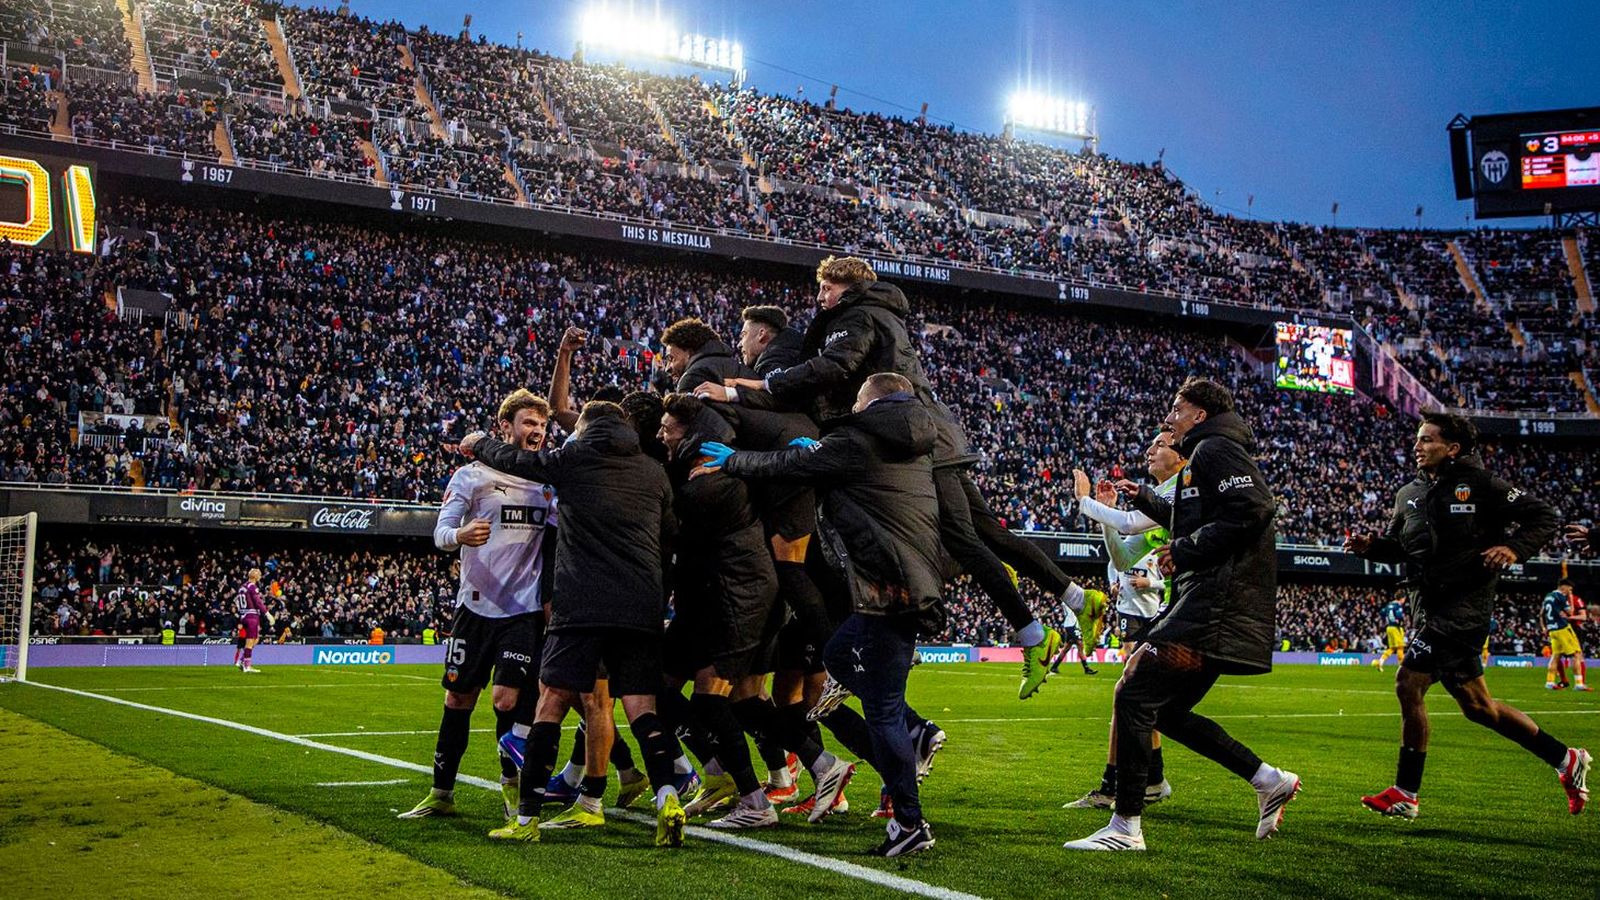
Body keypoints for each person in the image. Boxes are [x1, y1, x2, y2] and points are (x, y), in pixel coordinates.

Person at [697, 256, 1082, 701]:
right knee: (977, 531)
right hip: (925, 433)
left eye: (826, 289)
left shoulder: (857, 317)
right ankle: (1067, 603)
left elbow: (832, 369)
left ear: (848, 287)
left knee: (958, 534)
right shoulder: (873, 315)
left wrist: (748, 388)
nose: (820, 299)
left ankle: (1031, 631)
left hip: (917, 438)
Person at [701, 372, 943, 857]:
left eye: (857, 399)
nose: (852, 406)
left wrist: (737, 461)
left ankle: (910, 820)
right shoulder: (913, 445)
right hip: (911, 583)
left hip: (884, 589)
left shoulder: (857, 438)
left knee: (883, 712)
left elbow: (793, 463)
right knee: (837, 655)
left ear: (870, 402)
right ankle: (909, 763)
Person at [1065, 378, 1298, 852]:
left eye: (1177, 408)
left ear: (1200, 414)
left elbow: (1254, 508)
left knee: (1134, 690)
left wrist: (1187, 549)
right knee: (1163, 710)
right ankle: (1268, 779)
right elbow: (1198, 517)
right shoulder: (1206, 456)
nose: (1169, 417)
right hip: (1209, 599)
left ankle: (1125, 826)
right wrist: (1148, 501)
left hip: (1217, 602)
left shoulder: (1216, 450)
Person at [460, 400, 690, 847]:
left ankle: (525, 819)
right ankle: (667, 798)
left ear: (584, 428)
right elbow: (668, 539)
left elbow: (518, 461)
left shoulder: (574, 458)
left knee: (550, 703)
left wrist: (480, 444)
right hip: (640, 605)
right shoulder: (652, 471)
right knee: (643, 709)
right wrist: (655, 601)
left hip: (581, 606)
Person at [1346, 412, 1588, 820]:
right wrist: (1372, 546)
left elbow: (1542, 516)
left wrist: (1513, 549)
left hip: (1465, 609)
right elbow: (1399, 546)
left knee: (1408, 683)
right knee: (1480, 708)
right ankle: (1566, 759)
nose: (1417, 446)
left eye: (1427, 440)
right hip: (1430, 607)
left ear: (1452, 448)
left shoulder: (1481, 484)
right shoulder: (1409, 493)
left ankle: (1406, 792)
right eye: (1418, 439)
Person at [399, 390, 559, 823]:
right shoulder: (471, 476)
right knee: (458, 699)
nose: (537, 433)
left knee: (508, 700)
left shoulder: (547, 483)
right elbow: (441, 533)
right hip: (473, 608)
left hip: (522, 611)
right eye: (529, 423)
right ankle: (441, 792)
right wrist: (461, 535)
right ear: (505, 427)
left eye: (542, 426)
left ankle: (513, 795)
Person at [654, 392, 788, 828]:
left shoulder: (713, 481)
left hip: (739, 595)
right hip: (711, 597)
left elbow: (667, 522)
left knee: (716, 699)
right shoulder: (697, 471)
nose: (660, 434)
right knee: (660, 686)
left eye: (667, 427)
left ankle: (757, 801)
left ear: (691, 433)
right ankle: (719, 775)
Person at [1064, 428, 1184, 810]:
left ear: (1181, 457)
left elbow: (1131, 523)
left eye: (1160, 445)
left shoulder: (1180, 486)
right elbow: (1122, 559)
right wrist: (1104, 517)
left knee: (1134, 694)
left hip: (1181, 607)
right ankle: (1152, 780)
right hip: (1163, 610)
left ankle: (1116, 788)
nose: (1150, 450)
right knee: (1138, 694)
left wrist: (1085, 501)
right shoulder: (1161, 497)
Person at [1542, 579, 1590, 691]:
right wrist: (1570, 599)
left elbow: (1543, 613)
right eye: (1569, 589)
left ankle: (1549, 682)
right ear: (1564, 587)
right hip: (1562, 628)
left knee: (1555, 656)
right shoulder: (1560, 597)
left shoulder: (1548, 596)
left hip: (1552, 629)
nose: (1570, 591)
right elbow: (1570, 612)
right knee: (1576, 654)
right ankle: (1579, 684)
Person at [234, 567, 267, 673]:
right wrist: (266, 612)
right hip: (251, 615)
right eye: (259, 573)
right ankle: (247, 666)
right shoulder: (252, 586)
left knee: (256, 639)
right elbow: (257, 602)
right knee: (250, 641)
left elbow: (237, 603)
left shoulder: (242, 587)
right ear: (255, 576)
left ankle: (242, 660)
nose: (260, 575)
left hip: (243, 615)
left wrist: (241, 617)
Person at [1374, 594, 1407, 671]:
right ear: (1401, 598)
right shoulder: (1398, 606)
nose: (1404, 601)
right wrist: (1400, 621)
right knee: (1400, 647)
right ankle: (1402, 667)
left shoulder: (1389, 605)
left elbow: (1382, 612)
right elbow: (1399, 616)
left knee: (1392, 648)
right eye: (1404, 599)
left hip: (1389, 628)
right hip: (1396, 627)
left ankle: (1380, 662)